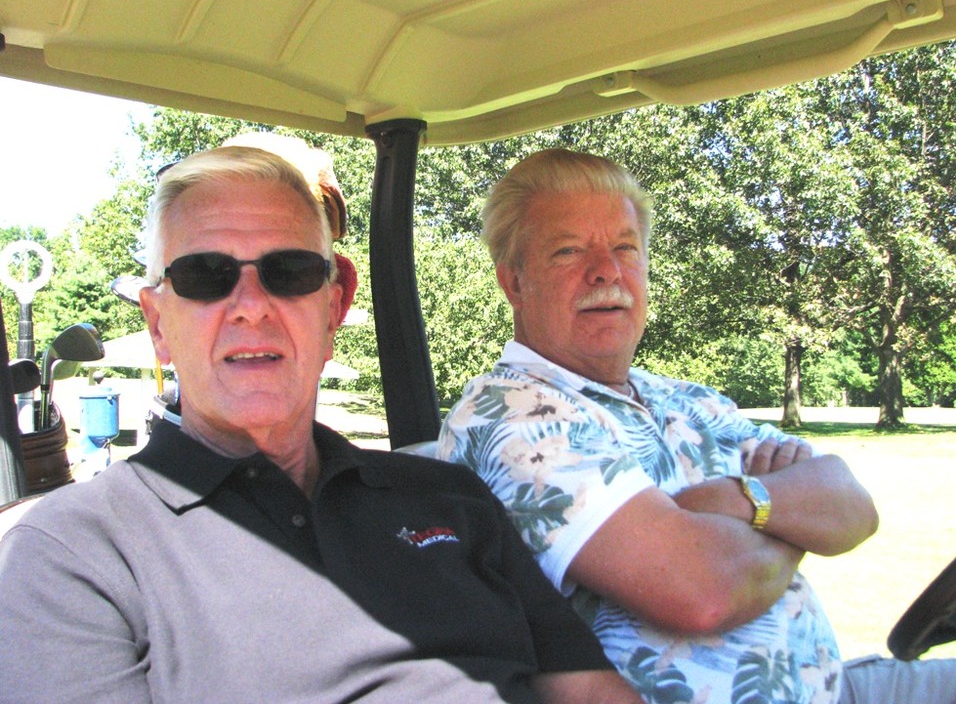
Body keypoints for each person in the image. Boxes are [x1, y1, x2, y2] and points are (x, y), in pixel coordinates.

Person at [0, 145, 642, 704]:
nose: (251, 307)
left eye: (289, 273)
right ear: (158, 324)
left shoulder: (449, 496)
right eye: (205, 276)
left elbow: (590, 691)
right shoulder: (78, 550)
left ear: (333, 309)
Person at [438, 148, 956, 704]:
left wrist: (734, 500)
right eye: (568, 251)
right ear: (515, 282)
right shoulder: (510, 415)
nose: (606, 270)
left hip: (832, 686)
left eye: (625, 248)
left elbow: (852, 506)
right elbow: (703, 591)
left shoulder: (688, 398)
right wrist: (789, 518)